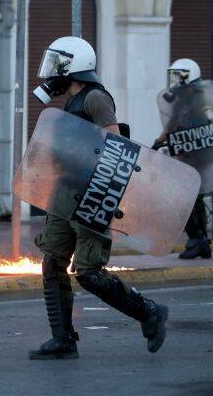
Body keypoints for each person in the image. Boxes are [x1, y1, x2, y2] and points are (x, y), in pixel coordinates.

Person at [28, 36, 168, 359]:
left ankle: (148, 311)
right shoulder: (69, 103)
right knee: (52, 263)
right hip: (65, 194)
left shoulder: (96, 99)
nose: (52, 72)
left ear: (74, 66)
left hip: (92, 195)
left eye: (58, 65)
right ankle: (63, 339)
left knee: (89, 272)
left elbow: (115, 145)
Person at [152, 59, 211, 260]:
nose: (175, 79)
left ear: (189, 75)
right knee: (196, 198)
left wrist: (161, 141)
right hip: (191, 157)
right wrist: (158, 141)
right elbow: (171, 125)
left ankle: (197, 239)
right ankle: (201, 241)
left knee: (185, 200)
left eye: (179, 75)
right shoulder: (185, 98)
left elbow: (180, 126)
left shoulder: (195, 99)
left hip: (195, 157)